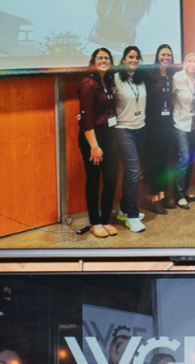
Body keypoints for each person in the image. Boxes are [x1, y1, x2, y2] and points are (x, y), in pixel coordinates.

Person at [78, 47, 120, 238]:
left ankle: (105, 220)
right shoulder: (88, 83)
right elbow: (86, 119)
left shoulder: (107, 81)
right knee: (94, 181)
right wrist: (94, 146)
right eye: (99, 58)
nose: (103, 61)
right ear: (93, 61)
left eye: (107, 58)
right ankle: (95, 222)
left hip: (108, 134)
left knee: (111, 178)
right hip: (92, 138)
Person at [110, 46, 147, 232]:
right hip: (124, 130)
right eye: (130, 57)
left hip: (140, 128)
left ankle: (124, 210)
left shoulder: (140, 79)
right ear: (124, 59)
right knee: (133, 172)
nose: (134, 60)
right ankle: (132, 216)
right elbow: (105, 101)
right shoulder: (116, 79)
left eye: (136, 57)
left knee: (130, 173)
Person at [141, 44, 179, 215]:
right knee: (153, 163)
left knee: (164, 161)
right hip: (152, 125)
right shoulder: (149, 74)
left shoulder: (172, 75)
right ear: (157, 56)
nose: (166, 57)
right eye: (163, 54)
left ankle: (163, 196)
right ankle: (154, 198)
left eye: (169, 55)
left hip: (167, 124)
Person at [171, 50, 195, 207]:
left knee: (191, 159)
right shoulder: (176, 78)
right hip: (180, 123)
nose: (192, 64)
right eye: (189, 61)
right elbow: (169, 98)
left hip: (194, 125)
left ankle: (186, 190)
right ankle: (178, 194)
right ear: (185, 63)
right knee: (184, 158)